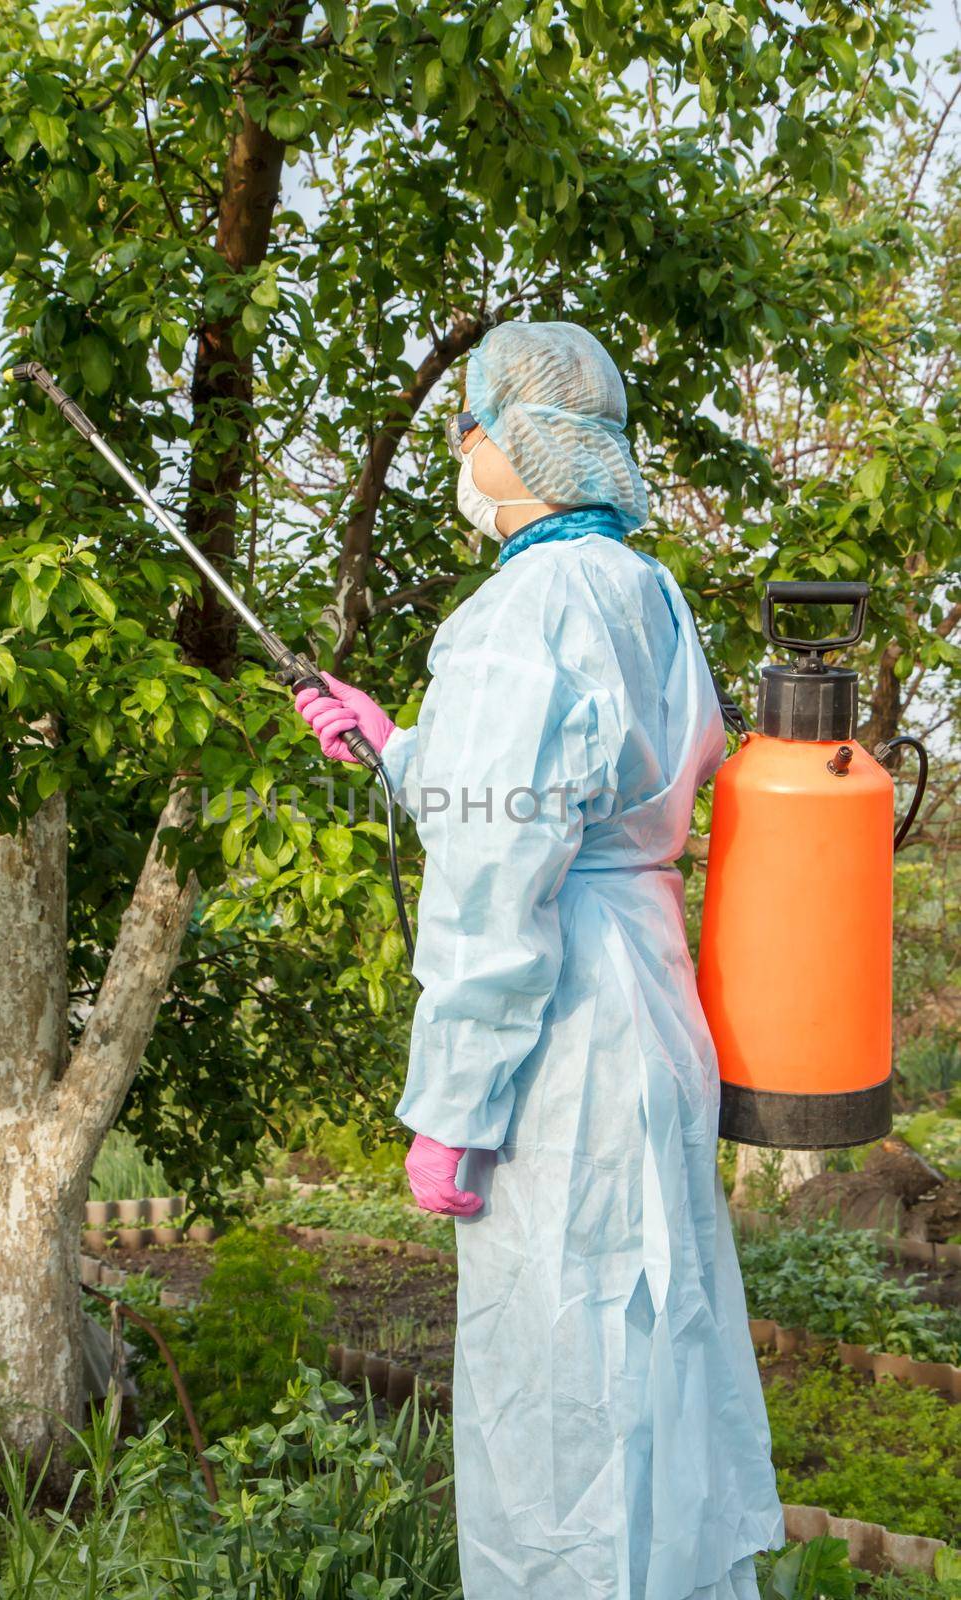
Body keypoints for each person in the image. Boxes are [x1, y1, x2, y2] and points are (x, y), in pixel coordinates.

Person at [296, 321, 784, 1599]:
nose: (460, 453)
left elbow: (493, 885)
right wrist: (403, 746)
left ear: (515, 442)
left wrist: (451, 1109)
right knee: (653, 1372)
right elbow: (558, 791)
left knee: (563, 1408)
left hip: (561, 1041)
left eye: (470, 428)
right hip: (647, 998)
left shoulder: (521, 608)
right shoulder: (644, 590)